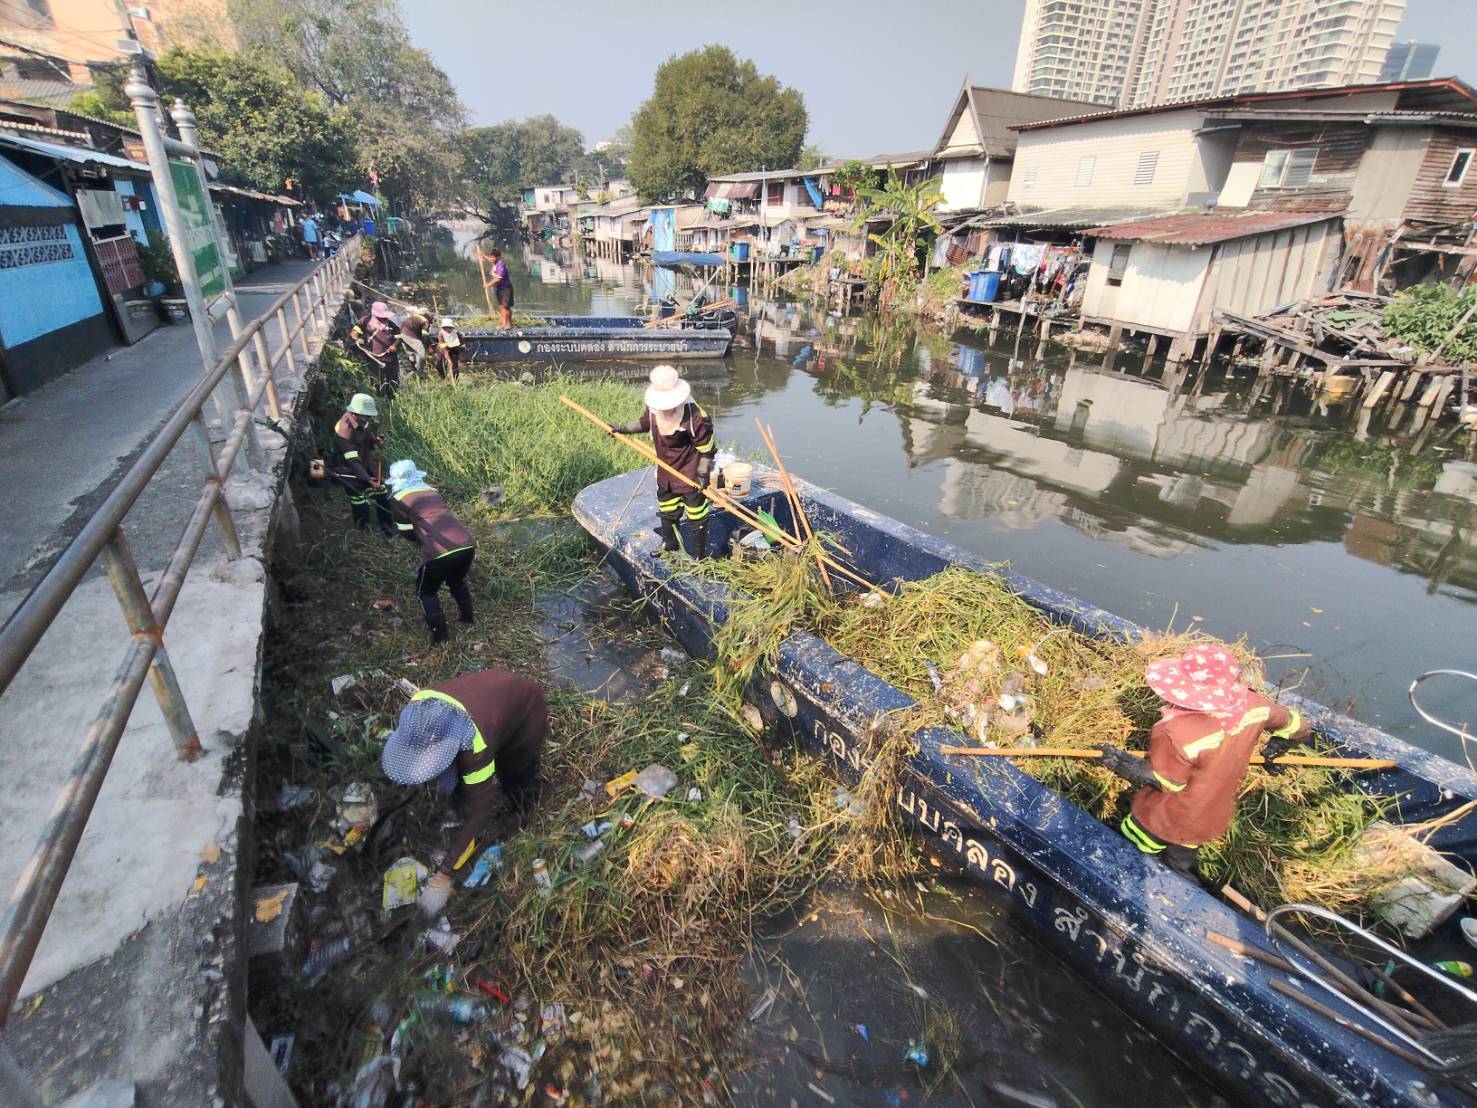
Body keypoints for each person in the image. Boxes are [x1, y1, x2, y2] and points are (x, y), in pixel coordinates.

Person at [1095, 644, 1311, 882]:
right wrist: (1279, 746)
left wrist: (1124, 765)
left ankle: (1116, 880)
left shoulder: (1174, 732)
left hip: (1168, 814)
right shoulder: (1255, 705)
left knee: (1132, 842)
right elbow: (1296, 725)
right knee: (1181, 862)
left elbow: (1169, 784)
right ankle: (1188, 888)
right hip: (1212, 812)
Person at [380, 669, 548, 915]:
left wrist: (443, 875)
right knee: (465, 787)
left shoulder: (475, 749)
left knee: (516, 775)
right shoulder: (418, 708)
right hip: (492, 692)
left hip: (526, 712)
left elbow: (483, 809)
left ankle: (523, 810)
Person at [609, 365, 716, 558]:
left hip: (690, 472)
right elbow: (644, 423)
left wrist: (703, 475)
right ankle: (669, 543)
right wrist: (622, 428)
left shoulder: (695, 417)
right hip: (666, 471)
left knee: (696, 514)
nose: (665, 409)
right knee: (667, 509)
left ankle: (700, 555)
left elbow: (707, 451)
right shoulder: (654, 409)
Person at [386, 459, 476, 645]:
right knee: (456, 581)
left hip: (439, 552)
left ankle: (440, 638)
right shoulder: (432, 491)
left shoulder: (398, 499)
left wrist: (420, 537)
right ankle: (468, 619)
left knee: (425, 592)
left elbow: (406, 532)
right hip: (466, 545)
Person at [331, 393, 396, 535]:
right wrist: (367, 480)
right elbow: (352, 461)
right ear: (355, 413)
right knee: (359, 499)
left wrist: (375, 441)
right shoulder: (345, 430)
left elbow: (366, 436)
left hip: (364, 464)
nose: (369, 418)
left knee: (381, 492)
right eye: (367, 416)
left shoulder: (363, 420)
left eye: (370, 416)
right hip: (349, 470)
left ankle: (387, 528)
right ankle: (363, 529)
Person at [352, 301, 400, 396]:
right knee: (377, 382)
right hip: (373, 358)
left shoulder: (390, 324)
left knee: (393, 381)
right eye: (381, 317)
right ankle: (379, 399)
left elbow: (399, 336)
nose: (384, 319)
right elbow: (355, 331)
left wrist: (395, 345)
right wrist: (356, 336)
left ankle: (391, 398)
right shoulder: (365, 321)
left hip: (390, 358)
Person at [398, 306, 433, 377]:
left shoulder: (412, 318)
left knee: (412, 354)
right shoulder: (424, 320)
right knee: (421, 353)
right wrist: (429, 346)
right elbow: (425, 335)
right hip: (410, 336)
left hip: (402, 335)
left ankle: (414, 370)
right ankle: (420, 371)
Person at [486, 247, 514, 329]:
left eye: (493, 257)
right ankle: (503, 324)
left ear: (498, 257)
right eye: (491, 257)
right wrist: (483, 256)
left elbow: (498, 279)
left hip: (506, 288)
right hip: (499, 288)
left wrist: (488, 285)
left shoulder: (501, 265)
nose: (491, 259)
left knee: (506, 306)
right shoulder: (495, 263)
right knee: (501, 306)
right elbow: (490, 259)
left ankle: (509, 324)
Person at [435, 316, 463, 383]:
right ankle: (443, 378)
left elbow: (461, 343)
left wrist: (461, 353)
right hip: (442, 349)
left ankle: (455, 381)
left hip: (453, 348)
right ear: (443, 328)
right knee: (439, 365)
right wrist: (448, 359)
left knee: (454, 365)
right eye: (446, 328)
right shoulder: (441, 334)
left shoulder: (457, 334)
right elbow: (444, 348)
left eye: (449, 327)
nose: (448, 329)